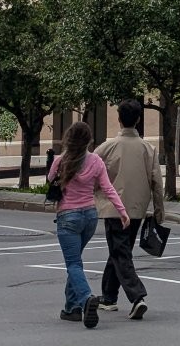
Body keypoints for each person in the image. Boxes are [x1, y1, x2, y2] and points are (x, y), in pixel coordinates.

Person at [47, 121, 129, 328]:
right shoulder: (96, 161)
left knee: (73, 264)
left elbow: (49, 180)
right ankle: (71, 308)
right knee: (76, 262)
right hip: (90, 217)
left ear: (68, 139)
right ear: (89, 140)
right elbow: (109, 189)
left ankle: (85, 300)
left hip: (68, 217)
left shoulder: (60, 161)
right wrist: (122, 212)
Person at [94, 100, 165, 320]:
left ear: (118, 119)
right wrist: (159, 210)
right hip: (137, 209)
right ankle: (108, 297)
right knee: (119, 250)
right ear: (138, 120)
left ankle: (137, 297)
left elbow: (91, 173)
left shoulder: (106, 148)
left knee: (119, 251)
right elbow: (157, 182)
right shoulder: (148, 149)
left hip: (113, 209)